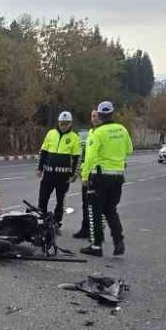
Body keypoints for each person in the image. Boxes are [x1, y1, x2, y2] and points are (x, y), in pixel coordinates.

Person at [79, 101, 134, 257]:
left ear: (100, 115)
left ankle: (96, 246)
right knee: (111, 210)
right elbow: (129, 149)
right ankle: (119, 241)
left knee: (95, 211)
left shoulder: (98, 133)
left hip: (100, 177)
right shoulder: (122, 129)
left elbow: (89, 157)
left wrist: (84, 176)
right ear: (112, 113)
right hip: (117, 177)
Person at [36, 111, 82, 230]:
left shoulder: (74, 137)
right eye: (62, 123)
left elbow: (77, 158)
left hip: (63, 176)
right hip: (49, 174)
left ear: (70, 124)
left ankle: (57, 221)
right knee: (43, 198)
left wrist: (74, 174)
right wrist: (39, 168)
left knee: (60, 200)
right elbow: (43, 152)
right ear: (58, 123)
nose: (64, 126)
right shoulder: (51, 134)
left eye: (66, 124)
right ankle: (42, 219)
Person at [72, 109, 100, 240]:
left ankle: (95, 233)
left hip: (98, 174)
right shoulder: (90, 133)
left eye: (96, 116)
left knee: (96, 204)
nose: (94, 118)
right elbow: (85, 155)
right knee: (85, 203)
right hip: (87, 173)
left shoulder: (102, 133)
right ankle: (85, 229)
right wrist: (81, 173)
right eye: (92, 116)